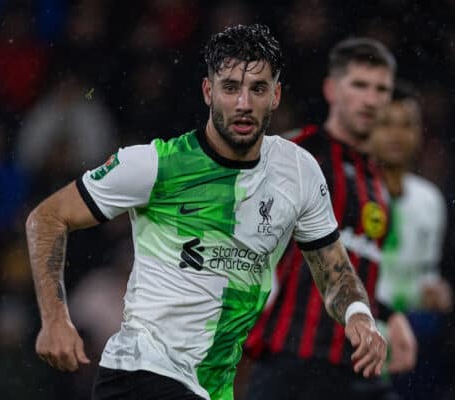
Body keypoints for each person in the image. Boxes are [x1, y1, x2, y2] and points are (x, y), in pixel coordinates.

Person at [25, 25, 387, 400]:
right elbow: (47, 217)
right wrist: (55, 318)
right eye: (230, 87)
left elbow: (335, 271)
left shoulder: (299, 171)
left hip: (212, 387)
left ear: (276, 95)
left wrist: (358, 313)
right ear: (208, 92)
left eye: (258, 88)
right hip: (140, 373)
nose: (244, 103)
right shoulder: (155, 164)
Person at [243, 38, 417, 399]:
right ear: (331, 89)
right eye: (359, 85)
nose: (371, 99)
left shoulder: (377, 182)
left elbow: (350, 266)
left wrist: (392, 316)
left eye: (381, 89)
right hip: (290, 362)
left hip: (354, 366)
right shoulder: (292, 153)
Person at [369, 84, 453, 399]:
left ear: (420, 133)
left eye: (407, 124)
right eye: (386, 123)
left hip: (413, 340)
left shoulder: (430, 200)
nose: (397, 135)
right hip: (360, 331)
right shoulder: (348, 193)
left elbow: (426, 273)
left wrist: (437, 290)